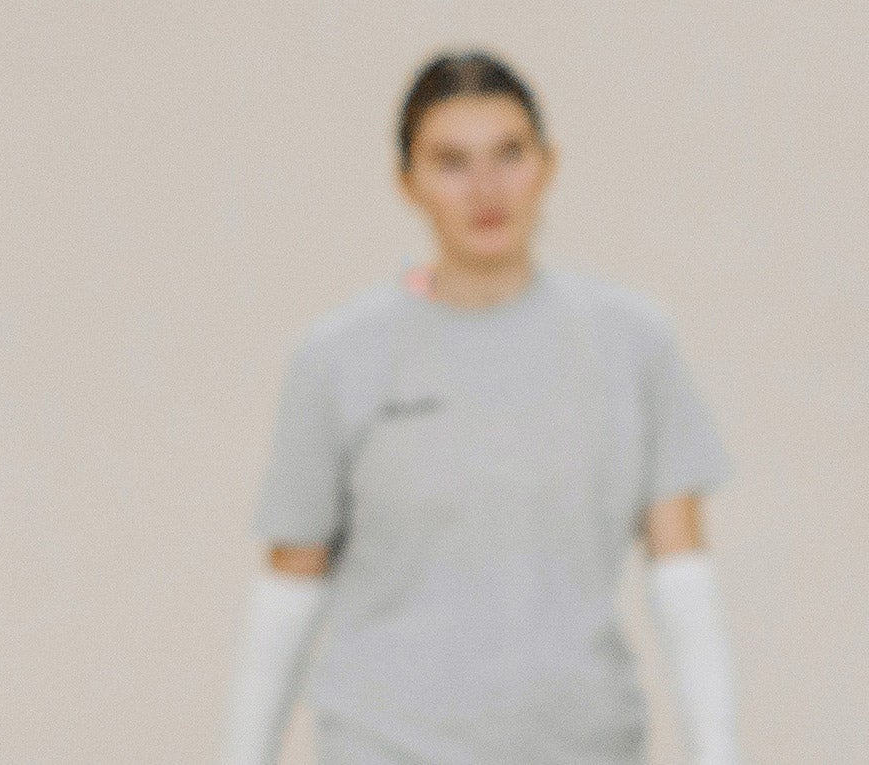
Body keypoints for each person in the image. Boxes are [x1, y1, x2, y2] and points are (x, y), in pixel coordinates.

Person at [219, 52, 742, 765]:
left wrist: (719, 752)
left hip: (586, 743)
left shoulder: (632, 343)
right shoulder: (338, 357)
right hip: (383, 743)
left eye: (509, 153)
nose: (486, 187)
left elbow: (681, 576)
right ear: (408, 181)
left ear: (548, 164)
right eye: (451, 161)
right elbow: (288, 588)